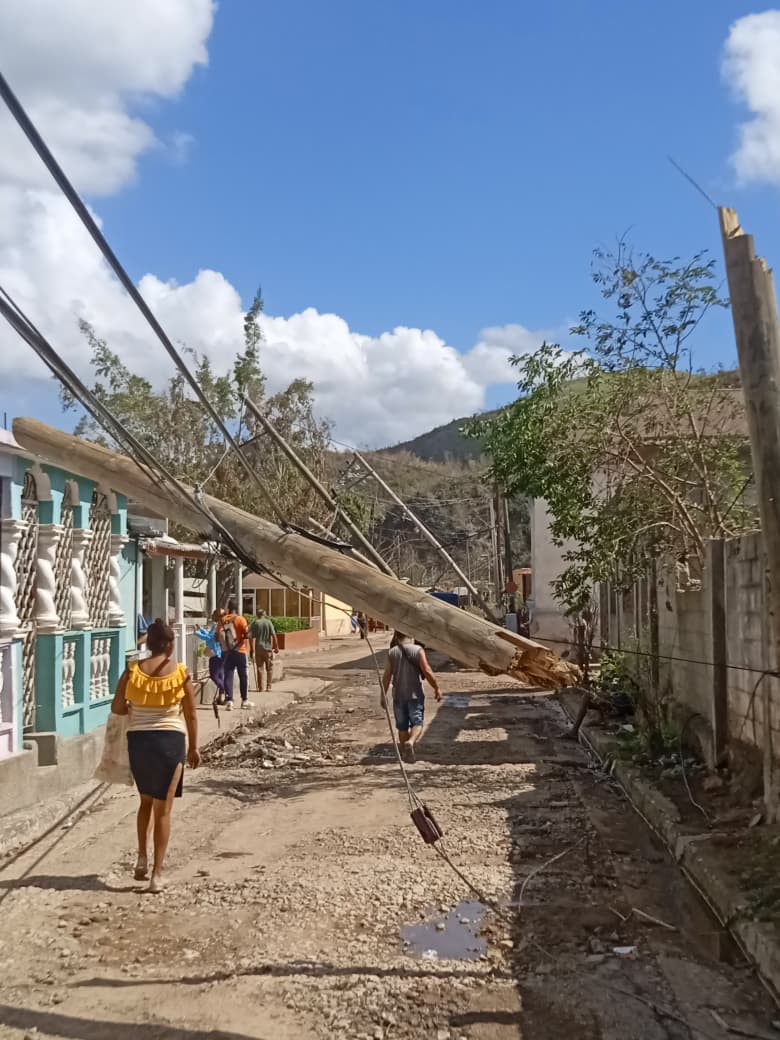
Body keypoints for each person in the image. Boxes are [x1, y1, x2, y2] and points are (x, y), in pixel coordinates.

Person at [110, 619, 199, 893]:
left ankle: (141, 858)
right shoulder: (181, 673)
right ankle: (157, 875)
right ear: (170, 645)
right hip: (169, 742)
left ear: (148, 645)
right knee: (164, 810)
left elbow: (118, 709)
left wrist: (137, 707)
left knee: (145, 802)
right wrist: (194, 747)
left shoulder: (131, 671)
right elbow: (191, 713)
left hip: (139, 742)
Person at [381, 631, 441, 763]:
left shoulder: (392, 652)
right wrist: (436, 688)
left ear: (396, 637)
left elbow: (386, 677)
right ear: (412, 636)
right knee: (417, 723)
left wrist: (383, 695)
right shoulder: (418, 650)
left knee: (402, 727)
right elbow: (427, 671)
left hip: (398, 696)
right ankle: (411, 742)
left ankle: (406, 756)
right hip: (415, 695)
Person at [217, 598, 253, 711]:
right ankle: (244, 700)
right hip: (240, 651)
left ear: (229, 607)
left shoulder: (221, 621)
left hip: (226, 652)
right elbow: (247, 634)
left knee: (228, 675)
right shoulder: (240, 619)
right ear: (237, 608)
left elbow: (216, 638)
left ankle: (229, 701)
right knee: (243, 675)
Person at [249, 609, 279, 692]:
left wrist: (251, 649)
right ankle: (268, 687)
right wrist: (276, 646)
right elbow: (274, 635)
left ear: (257, 615)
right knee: (269, 668)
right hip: (268, 649)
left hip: (258, 648)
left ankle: (260, 687)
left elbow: (250, 637)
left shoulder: (255, 623)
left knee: (259, 668)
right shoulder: (268, 622)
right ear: (264, 614)